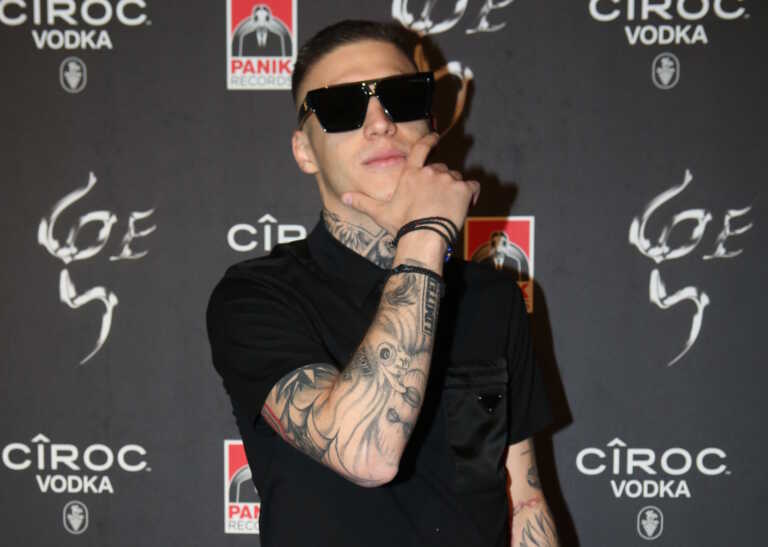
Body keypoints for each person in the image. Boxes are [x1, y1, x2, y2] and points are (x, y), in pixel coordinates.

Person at [207, 20, 559, 547]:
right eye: (342, 107)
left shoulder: (492, 297)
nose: (380, 123)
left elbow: (523, 499)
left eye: (401, 98)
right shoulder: (257, 296)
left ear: (430, 122)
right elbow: (366, 456)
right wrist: (425, 235)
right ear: (304, 150)